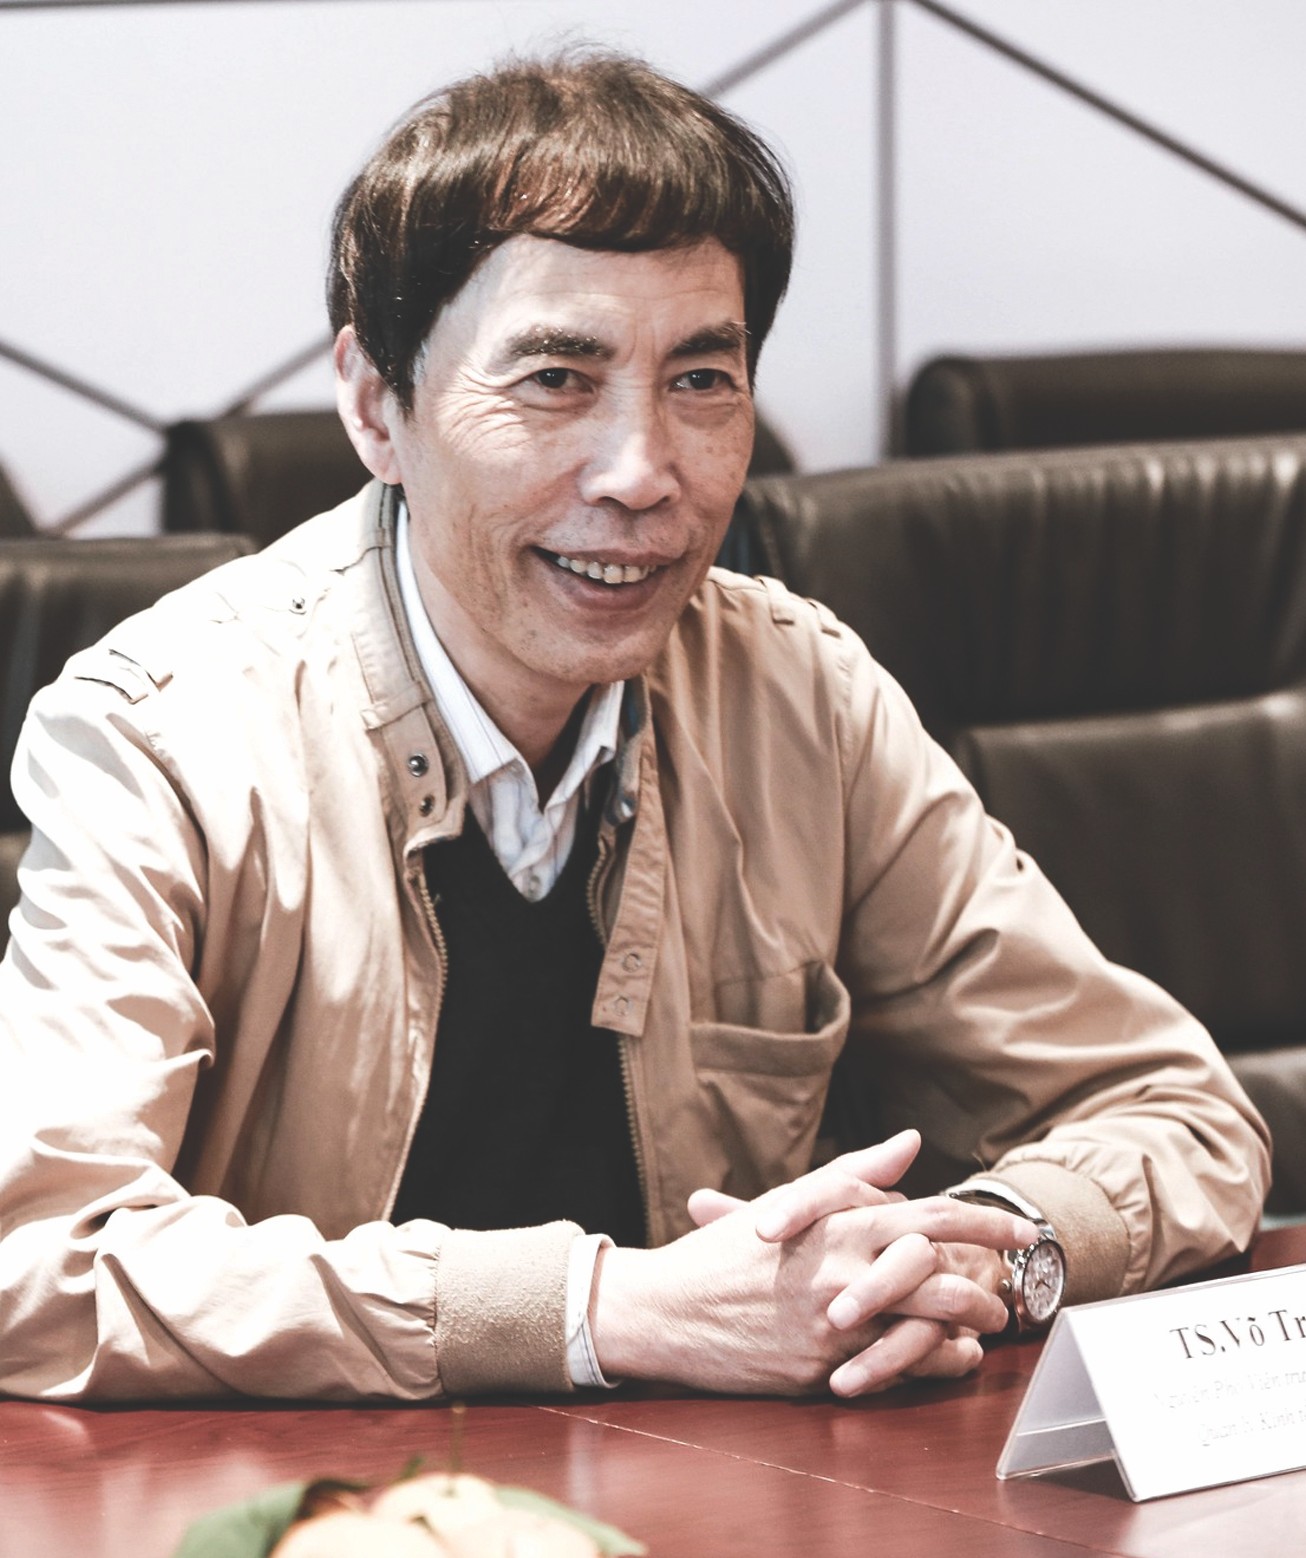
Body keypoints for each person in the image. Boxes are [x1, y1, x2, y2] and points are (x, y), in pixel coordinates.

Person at [0, 51, 1268, 1405]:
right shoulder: (164, 735)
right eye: (556, 377)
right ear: (376, 403)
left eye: (702, 380)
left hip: (746, 1488)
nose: (641, 472)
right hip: (326, 1497)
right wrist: (609, 1309)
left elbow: (1180, 1117)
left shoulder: (801, 697)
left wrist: (981, 1254)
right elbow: (40, 1258)